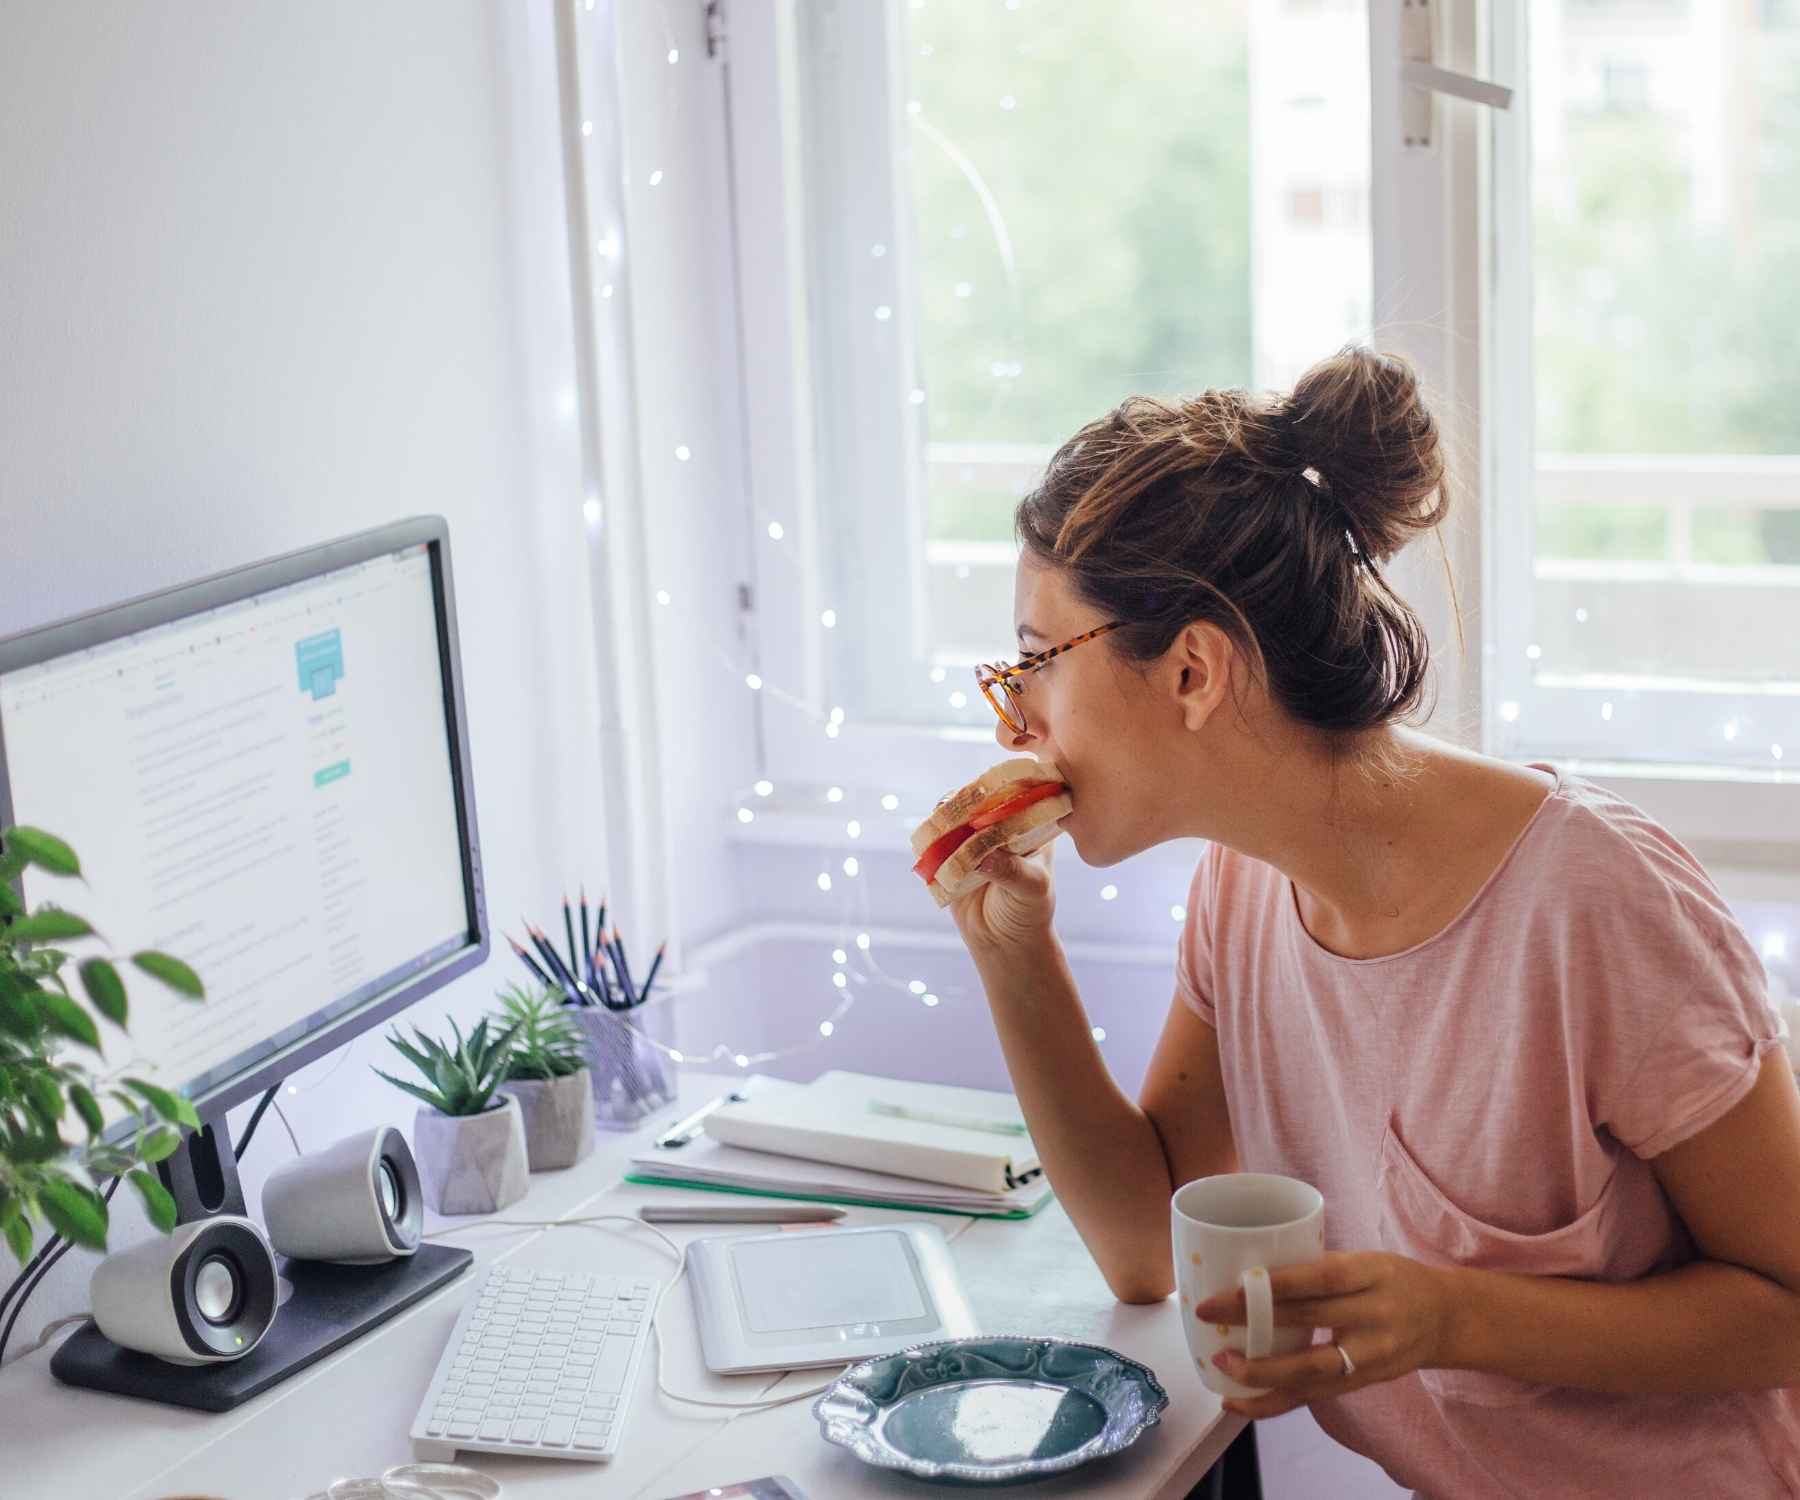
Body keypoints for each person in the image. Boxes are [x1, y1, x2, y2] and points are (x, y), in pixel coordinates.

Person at [947, 346, 1800, 1497]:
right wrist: (1014, 956)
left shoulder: (1593, 905)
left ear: (1194, 671)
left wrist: (1457, 1316)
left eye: (1037, 663)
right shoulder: (1244, 891)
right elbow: (1149, 1247)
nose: (1015, 722)